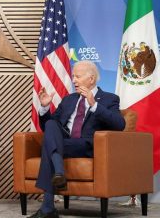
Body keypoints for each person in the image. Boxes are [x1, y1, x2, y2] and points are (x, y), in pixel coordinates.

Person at [29, 61, 126, 218]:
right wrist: (45, 107)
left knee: (48, 146)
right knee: (52, 124)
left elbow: (120, 124)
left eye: (77, 76)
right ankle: (58, 173)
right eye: (73, 76)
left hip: (86, 145)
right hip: (64, 143)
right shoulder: (69, 99)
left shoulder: (109, 99)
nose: (73, 80)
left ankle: (48, 207)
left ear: (91, 79)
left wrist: (93, 104)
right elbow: (50, 129)